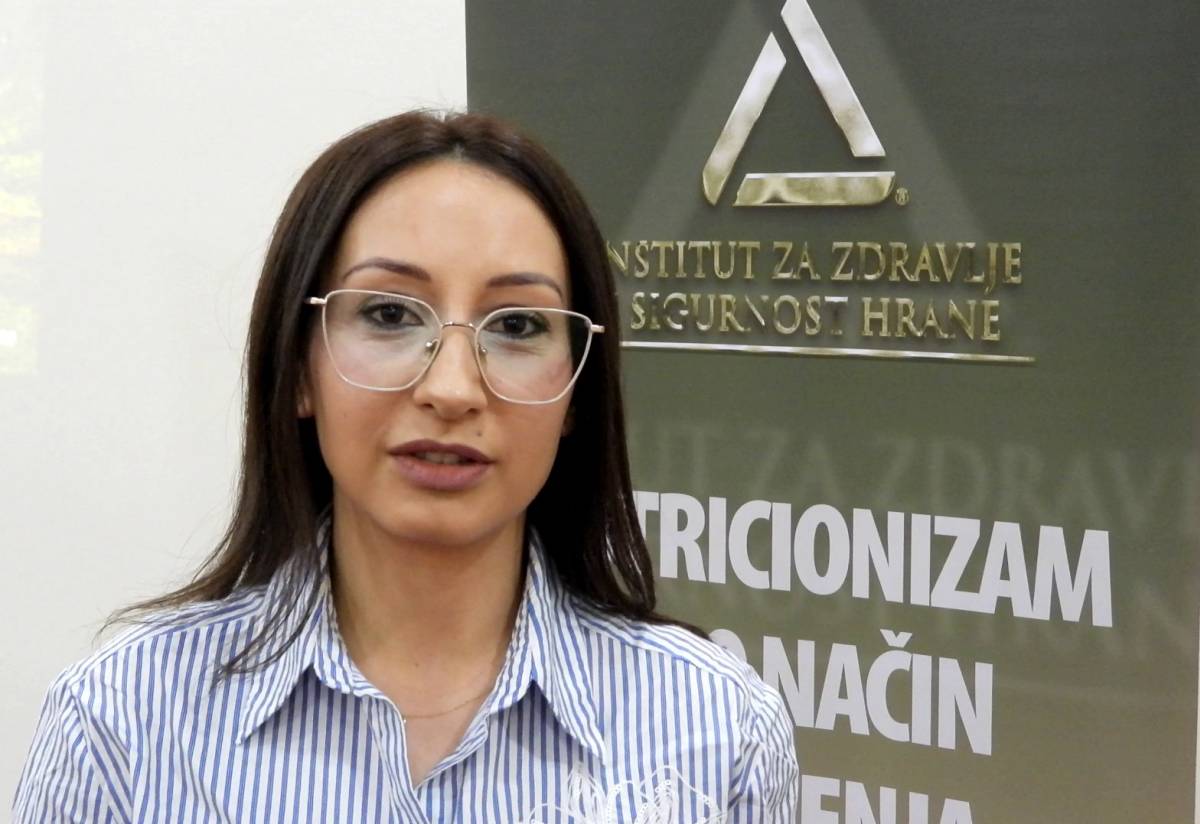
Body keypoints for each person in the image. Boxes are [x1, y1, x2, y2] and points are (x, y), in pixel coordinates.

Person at [14, 111, 798, 823]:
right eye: (389, 314)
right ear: (299, 369)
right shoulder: (122, 722)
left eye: (517, 325)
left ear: (575, 392)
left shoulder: (718, 730)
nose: (452, 389)